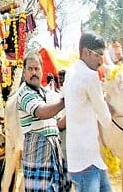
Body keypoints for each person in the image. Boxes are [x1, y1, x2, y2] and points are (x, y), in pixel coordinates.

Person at [64, 32, 113, 192]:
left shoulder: (71, 72)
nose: (101, 61)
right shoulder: (90, 76)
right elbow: (106, 119)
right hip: (87, 161)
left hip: (87, 158)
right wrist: (111, 108)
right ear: (86, 52)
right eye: (98, 55)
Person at [17, 52, 70, 191]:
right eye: (30, 69)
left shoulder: (48, 94)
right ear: (24, 72)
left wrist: (75, 109)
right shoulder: (24, 93)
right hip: (37, 155)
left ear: (42, 70)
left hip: (54, 153)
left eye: (37, 68)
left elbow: (58, 124)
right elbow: (41, 112)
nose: (34, 72)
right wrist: (66, 101)